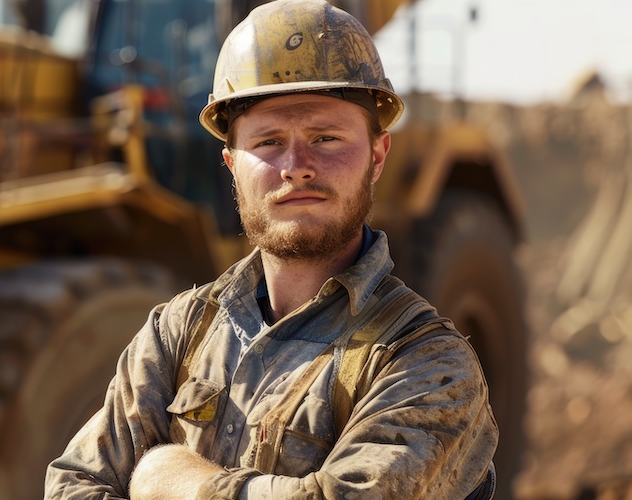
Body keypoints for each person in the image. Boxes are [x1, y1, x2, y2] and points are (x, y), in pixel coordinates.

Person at [44, 0, 498, 498]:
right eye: (268, 142)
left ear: (378, 156)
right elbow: (73, 483)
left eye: (326, 138)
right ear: (230, 164)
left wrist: (175, 480)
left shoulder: (427, 363)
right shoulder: (177, 333)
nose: (296, 166)